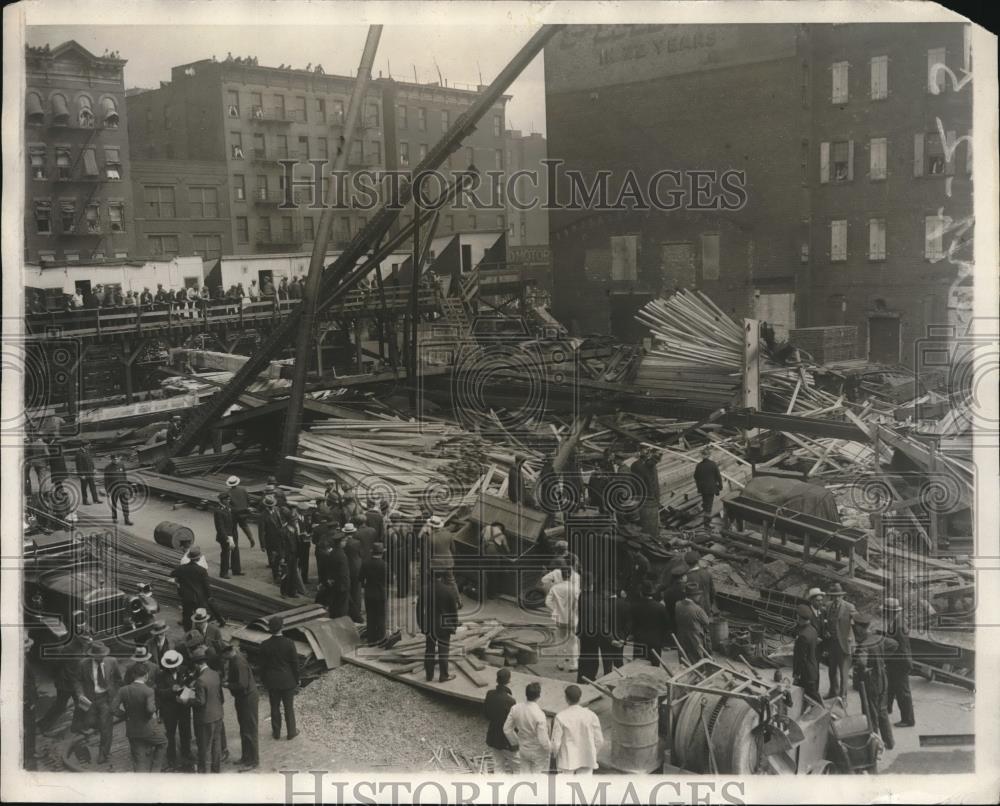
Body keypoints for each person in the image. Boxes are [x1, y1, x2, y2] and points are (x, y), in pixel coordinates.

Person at [72, 641, 122, 764]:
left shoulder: (112, 661)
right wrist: (80, 694)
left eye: (103, 656)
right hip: (91, 699)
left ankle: (103, 753)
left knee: (106, 727)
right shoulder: (83, 664)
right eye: (98, 657)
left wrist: (116, 696)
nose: (101, 658)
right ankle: (92, 736)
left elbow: (118, 679)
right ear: (92, 656)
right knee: (90, 722)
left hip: (106, 698)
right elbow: (77, 680)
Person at [852, 614, 897, 750]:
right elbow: (895, 644)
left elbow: (861, 663)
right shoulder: (878, 638)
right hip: (883, 680)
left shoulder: (864, 645)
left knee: (870, 714)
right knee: (882, 712)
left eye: (856, 627)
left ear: (860, 628)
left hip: (870, 683)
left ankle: (874, 745)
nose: (854, 630)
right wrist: (881, 660)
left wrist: (863, 668)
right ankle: (889, 742)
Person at [113, 662, 167, 772]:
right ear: (146, 675)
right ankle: (155, 771)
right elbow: (150, 709)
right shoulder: (149, 691)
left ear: (133, 675)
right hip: (148, 729)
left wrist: (125, 716)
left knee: (138, 759)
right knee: (163, 742)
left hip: (132, 729)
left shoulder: (123, 690)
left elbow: (112, 708)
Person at [576, 574, 626, 683]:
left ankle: (583, 680)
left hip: (585, 634)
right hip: (592, 635)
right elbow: (600, 622)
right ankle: (588, 681)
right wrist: (611, 639)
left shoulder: (583, 595)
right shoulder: (595, 600)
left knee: (586, 659)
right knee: (592, 661)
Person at [259, 616, 300, 740]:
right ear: (282, 627)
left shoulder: (265, 644)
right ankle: (291, 732)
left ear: (269, 629)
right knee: (289, 707)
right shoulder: (289, 643)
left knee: (274, 707)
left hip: (272, 681)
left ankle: (276, 732)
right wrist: (297, 679)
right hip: (288, 680)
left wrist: (264, 680)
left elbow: (262, 666)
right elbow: (295, 664)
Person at [417, 570, 461, 682]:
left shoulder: (424, 590)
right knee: (443, 650)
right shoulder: (448, 590)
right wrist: (454, 625)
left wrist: (421, 624)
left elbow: (419, 610)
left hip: (429, 625)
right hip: (444, 626)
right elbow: (453, 611)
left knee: (429, 650)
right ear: (442, 577)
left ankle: (429, 675)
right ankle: (443, 675)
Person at [221, 643, 260, 770]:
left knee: (250, 730)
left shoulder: (238, 663)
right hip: (242, 698)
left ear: (228, 652)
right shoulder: (233, 659)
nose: (223, 658)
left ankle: (253, 760)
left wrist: (227, 684)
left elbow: (242, 685)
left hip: (247, 699)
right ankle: (246, 757)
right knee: (244, 729)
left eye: (223, 655)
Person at [551, 684, 604, 775]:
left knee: (564, 787)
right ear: (580, 697)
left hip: (567, 759)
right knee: (584, 787)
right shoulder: (591, 715)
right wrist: (593, 752)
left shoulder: (560, 717)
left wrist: (554, 754)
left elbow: (556, 743)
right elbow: (599, 740)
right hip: (586, 757)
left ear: (566, 698)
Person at [187, 645, 225, 772]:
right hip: (218, 714)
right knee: (216, 744)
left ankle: (206, 772)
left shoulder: (200, 680)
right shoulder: (215, 674)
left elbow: (200, 701)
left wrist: (186, 700)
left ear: (197, 665)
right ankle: (216, 769)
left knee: (205, 746)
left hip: (205, 718)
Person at [155, 650, 194, 771]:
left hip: (183, 708)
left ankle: (186, 752)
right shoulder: (161, 675)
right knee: (170, 734)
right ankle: (171, 757)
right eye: (171, 667)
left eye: (175, 666)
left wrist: (188, 688)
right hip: (169, 710)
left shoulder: (184, 670)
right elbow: (159, 692)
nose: (173, 669)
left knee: (185, 732)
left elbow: (190, 684)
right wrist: (171, 690)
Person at [502, 682, 551, 773]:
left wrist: (516, 742)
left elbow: (507, 729)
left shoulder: (515, 708)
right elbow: (543, 739)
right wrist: (550, 749)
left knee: (525, 776)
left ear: (526, 694)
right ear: (538, 696)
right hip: (537, 751)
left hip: (523, 747)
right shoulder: (539, 715)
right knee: (538, 778)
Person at [883, 597, 915, 728]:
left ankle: (908, 720)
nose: (884, 614)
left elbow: (903, 647)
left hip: (900, 663)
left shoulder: (899, 625)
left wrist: (906, 664)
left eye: (885, 611)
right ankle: (887, 709)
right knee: (890, 687)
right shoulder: (895, 621)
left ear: (890, 612)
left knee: (903, 692)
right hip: (894, 662)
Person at [546, 566, 581, 672]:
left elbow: (547, 602)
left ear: (561, 575)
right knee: (573, 641)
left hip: (559, 619)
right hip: (572, 619)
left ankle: (560, 663)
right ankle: (574, 664)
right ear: (570, 576)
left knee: (560, 640)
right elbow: (578, 604)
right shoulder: (575, 589)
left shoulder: (555, 588)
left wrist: (555, 609)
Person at [824, 583, 857, 698]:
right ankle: (833, 692)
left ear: (842, 596)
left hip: (844, 644)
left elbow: (857, 622)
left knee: (844, 673)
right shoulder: (828, 606)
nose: (836, 598)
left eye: (838, 596)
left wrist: (852, 638)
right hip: (832, 643)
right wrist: (826, 631)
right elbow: (825, 621)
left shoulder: (849, 607)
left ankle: (843, 697)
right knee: (832, 670)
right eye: (834, 596)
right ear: (831, 597)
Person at [483, 668, 518, 773]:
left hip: (493, 734)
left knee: (498, 764)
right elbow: (514, 722)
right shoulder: (510, 700)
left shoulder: (490, 694)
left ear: (497, 679)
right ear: (509, 681)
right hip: (506, 737)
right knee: (517, 765)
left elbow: (486, 714)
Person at [171, 546, 213, 631]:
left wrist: (180, 579)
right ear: (198, 559)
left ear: (189, 557)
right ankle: (200, 633)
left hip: (186, 597)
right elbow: (206, 586)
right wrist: (209, 596)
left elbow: (172, 574)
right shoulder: (202, 570)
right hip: (199, 598)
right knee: (200, 618)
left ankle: (188, 634)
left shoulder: (182, 568)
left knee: (187, 617)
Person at [628, 582, 670, 666]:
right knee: (655, 666)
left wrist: (632, 634)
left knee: (638, 667)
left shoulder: (634, 607)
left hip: (640, 640)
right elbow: (666, 625)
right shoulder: (660, 607)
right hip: (655, 641)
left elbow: (631, 624)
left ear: (641, 593)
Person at [675, 582, 712, 663]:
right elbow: (706, 622)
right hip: (695, 638)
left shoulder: (677, 604)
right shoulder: (697, 609)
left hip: (681, 636)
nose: (699, 597)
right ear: (693, 596)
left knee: (683, 659)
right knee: (696, 659)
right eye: (698, 595)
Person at [359, 541, 388, 646]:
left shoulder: (365, 563)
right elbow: (389, 581)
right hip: (380, 594)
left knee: (370, 617)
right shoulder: (384, 565)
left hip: (369, 593)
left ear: (372, 552)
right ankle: (381, 639)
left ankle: (371, 639)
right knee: (381, 617)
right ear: (382, 552)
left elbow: (360, 578)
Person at [793, 604, 822, 706]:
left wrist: (796, 674)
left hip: (806, 673)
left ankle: (827, 716)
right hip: (813, 668)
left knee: (813, 697)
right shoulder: (812, 630)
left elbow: (801, 659)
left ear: (799, 617)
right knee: (809, 696)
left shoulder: (803, 636)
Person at [631, 447, 661, 538]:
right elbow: (653, 483)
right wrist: (656, 496)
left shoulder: (634, 465)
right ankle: (653, 536)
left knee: (645, 521)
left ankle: (649, 534)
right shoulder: (646, 467)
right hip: (649, 497)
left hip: (640, 496)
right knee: (650, 523)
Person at [693, 448, 723, 527]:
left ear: (702, 456)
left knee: (706, 503)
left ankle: (705, 519)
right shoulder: (713, 464)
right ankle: (706, 525)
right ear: (709, 455)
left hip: (703, 489)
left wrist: (700, 485)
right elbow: (718, 476)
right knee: (709, 506)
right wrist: (720, 486)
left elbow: (695, 476)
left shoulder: (699, 465)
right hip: (711, 488)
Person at [225, 476, 257, 546]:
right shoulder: (243, 489)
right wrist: (246, 507)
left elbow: (228, 504)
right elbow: (248, 500)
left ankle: (235, 542)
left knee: (233, 528)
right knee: (244, 525)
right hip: (244, 512)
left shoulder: (228, 492)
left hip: (234, 513)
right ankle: (251, 538)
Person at [482, 521, 511, 599]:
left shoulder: (486, 527)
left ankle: (482, 590)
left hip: (484, 551)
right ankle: (491, 594)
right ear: (501, 528)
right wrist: (509, 554)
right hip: (493, 553)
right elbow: (506, 547)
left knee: (485, 571)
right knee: (493, 574)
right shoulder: (502, 535)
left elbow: (480, 537)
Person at [342, 522, 364, 621]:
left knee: (349, 589)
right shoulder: (357, 542)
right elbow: (360, 554)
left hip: (347, 567)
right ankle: (357, 609)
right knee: (357, 590)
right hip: (357, 566)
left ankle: (349, 609)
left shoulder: (343, 543)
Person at [104, 452, 133, 525]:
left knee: (125, 504)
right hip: (114, 489)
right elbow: (106, 480)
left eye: (117, 459)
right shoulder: (108, 468)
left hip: (122, 488)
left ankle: (127, 519)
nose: (116, 460)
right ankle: (114, 518)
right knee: (114, 504)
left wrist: (126, 487)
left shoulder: (121, 465)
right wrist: (107, 490)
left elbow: (124, 476)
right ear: (111, 460)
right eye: (114, 459)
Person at [213, 493, 238, 578]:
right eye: (227, 500)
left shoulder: (227, 508)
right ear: (222, 500)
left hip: (230, 534)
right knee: (225, 554)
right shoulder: (218, 511)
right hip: (224, 536)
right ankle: (224, 573)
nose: (228, 501)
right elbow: (220, 527)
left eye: (229, 500)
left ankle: (229, 570)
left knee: (228, 553)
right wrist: (226, 538)